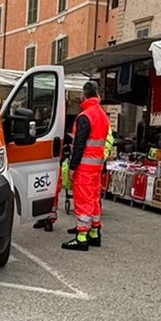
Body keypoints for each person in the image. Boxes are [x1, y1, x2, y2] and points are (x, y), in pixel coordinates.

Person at [63, 81, 110, 251]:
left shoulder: (85, 116)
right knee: (94, 200)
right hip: (96, 167)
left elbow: (79, 145)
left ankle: (81, 236)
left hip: (84, 167)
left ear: (83, 95)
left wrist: (72, 167)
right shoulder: (103, 116)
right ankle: (94, 233)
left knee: (83, 201)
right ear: (97, 94)